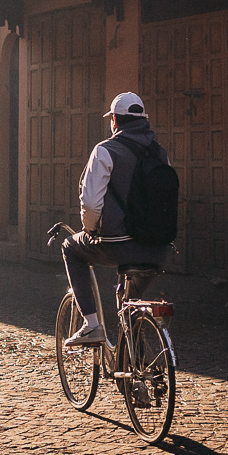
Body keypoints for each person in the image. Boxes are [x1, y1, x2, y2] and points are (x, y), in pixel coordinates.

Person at [62, 92, 172, 347]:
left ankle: (91, 325)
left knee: (70, 247)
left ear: (114, 121)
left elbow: (91, 203)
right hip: (157, 250)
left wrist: (90, 230)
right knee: (130, 306)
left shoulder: (105, 151)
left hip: (118, 246)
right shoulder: (160, 154)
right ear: (143, 120)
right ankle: (135, 360)